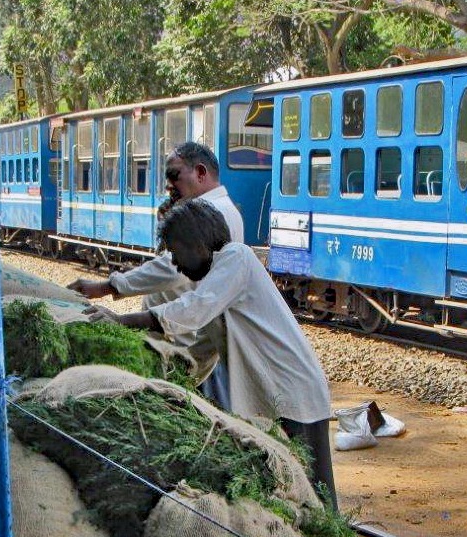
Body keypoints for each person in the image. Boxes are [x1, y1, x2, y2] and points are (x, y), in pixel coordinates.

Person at [91, 198, 337, 507]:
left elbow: (194, 309)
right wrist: (173, 380)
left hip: (293, 391)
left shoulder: (237, 257)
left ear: (199, 245)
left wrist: (123, 321)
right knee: (287, 484)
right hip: (274, 393)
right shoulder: (216, 282)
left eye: (176, 252)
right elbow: (204, 350)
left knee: (313, 492)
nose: (176, 264)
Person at [67, 141, 240, 406]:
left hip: (187, 342)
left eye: (174, 175)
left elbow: (172, 271)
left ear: (201, 173)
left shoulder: (211, 213)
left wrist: (110, 289)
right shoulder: (218, 209)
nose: (169, 186)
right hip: (191, 338)